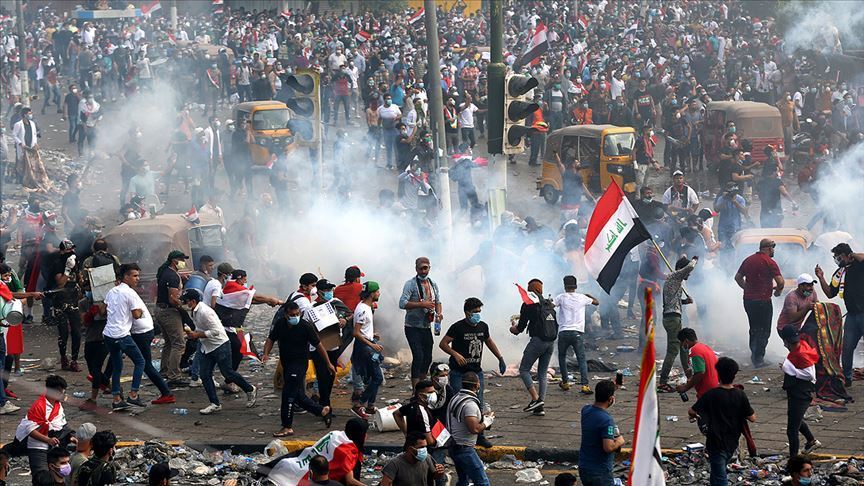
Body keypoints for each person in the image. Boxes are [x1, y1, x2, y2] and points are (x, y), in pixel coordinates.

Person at [439, 297, 505, 448]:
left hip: (476, 371)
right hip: (458, 372)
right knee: (458, 403)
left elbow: (489, 342)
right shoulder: (457, 327)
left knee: (478, 403)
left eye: (479, 311)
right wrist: (455, 354)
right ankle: (456, 435)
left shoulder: (483, 326)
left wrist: (500, 358)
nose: (478, 314)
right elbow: (443, 344)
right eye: (475, 311)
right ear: (467, 312)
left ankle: (480, 436)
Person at [180, 289, 257, 415]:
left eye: (186, 301)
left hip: (220, 345)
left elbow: (216, 331)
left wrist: (197, 335)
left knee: (228, 372)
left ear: (193, 301)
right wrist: (190, 334)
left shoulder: (205, 312)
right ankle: (215, 403)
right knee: (205, 375)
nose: (185, 304)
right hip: (207, 346)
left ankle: (250, 389)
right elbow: (200, 328)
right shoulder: (194, 311)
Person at [263, 299, 334, 436]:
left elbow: (319, 345)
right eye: (292, 315)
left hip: (299, 364)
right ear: (286, 315)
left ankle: (287, 426)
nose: (295, 317)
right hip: (286, 363)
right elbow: (271, 339)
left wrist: (328, 363)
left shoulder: (305, 326)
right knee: (297, 395)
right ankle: (321, 410)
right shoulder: (280, 324)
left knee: (288, 395)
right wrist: (266, 353)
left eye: (297, 314)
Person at [688, 357, 756, 486]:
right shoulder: (740, 395)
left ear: (718, 374)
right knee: (717, 472)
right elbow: (752, 418)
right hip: (732, 441)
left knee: (720, 477)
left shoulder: (711, 394)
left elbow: (692, 411)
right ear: (734, 375)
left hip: (715, 441)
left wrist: (698, 416)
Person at [815, 243, 864, 386]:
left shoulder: (859, 265)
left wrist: (852, 255)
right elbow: (830, 293)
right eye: (835, 257)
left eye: (839, 257)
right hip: (852, 316)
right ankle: (847, 378)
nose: (837, 260)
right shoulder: (839, 273)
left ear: (847, 255)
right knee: (847, 347)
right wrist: (821, 277)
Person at [103, 263, 148, 410]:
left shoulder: (112, 291)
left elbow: (104, 309)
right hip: (122, 335)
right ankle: (133, 395)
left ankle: (116, 399)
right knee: (140, 362)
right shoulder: (130, 293)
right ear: (125, 277)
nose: (137, 279)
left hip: (108, 334)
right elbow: (136, 315)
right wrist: (141, 310)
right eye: (134, 276)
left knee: (117, 366)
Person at [14, 375, 74, 481]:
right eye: (61, 393)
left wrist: (71, 437)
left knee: (58, 475)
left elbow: (62, 425)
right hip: (38, 446)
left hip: (53, 444)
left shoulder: (58, 405)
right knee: (41, 477)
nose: (63, 396)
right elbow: (30, 430)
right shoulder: (39, 406)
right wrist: (48, 440)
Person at [511, 279, 558, 415]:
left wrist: (513, 328)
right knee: (542, 373)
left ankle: (536, 399)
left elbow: (520, 328)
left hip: (538, 341)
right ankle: (539, 407)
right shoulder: (548, 303)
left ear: (530, 290)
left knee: (524, 369)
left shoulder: (528, 304)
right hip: (550, 342)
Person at [735, 239, 784, 368]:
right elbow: (780, 282)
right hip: (763, 301)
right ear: (769, 248)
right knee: (764, 330)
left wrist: (747, 288)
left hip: (749, 301)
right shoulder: (770, 262)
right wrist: (778, 292)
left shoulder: (748, 260)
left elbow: (737, 278)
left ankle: (755, 356)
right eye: (773, 248)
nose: (773, 251)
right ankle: (759, 359)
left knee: (754, 328)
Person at [399, 257, 442, 387]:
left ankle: (422, 383)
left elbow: (438, 302)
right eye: (420, 268)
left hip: (426, 326)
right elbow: (402, 303)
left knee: (428, 357)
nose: (423, 271)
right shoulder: (410, 284)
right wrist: (421, 304)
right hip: (412, 326)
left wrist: (439, 314)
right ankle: (415, 389)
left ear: (429, 268)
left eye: (425, 268)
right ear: (416, 269)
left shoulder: (433, 284)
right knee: (418, 356)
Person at [779, 326, 821, 457]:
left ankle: (794, 460)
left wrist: (789, 370)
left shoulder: (801, 354)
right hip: (797, 392)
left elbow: (809, 375)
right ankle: (811, 441)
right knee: (795, 418)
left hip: (801, 393)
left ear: (786, 341)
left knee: (792, 430)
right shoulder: (799, 347)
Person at [657, 257, 698, 391]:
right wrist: (694, 259)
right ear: (681, 269)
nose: (689, 275)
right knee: (673, 350)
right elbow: (690, 267)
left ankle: (689, 376)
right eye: (687, 273)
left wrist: (685, 301)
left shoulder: (675, 281)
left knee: (684, 347)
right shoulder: (674, 276)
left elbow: (674, 301)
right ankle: (663, 382)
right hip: (672, 319)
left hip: (673, 317)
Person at [446, 371, 493, 486]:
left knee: (463, 481)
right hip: (464, 449)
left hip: (454, 446)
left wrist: (482, 418)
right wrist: (487, 422)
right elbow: (474, 429)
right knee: (483, 482)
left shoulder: (456, 397)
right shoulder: (469, 404)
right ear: (477, 385)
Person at [553, 275, 598, 393]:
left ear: (564, 286)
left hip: (563, 332)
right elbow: (596, 302)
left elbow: (551, 305)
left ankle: (565, 382)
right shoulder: (582, 297)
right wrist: (588, 295)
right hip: (577, 333)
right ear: (576, 286)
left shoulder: (560, 297)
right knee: (581, 359)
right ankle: (585, 385)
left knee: (562, 357)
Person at [578, 380, 625, 486]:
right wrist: (619, 441)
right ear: (610, 399)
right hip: (600, 471)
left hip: (584, 466)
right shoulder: (607, 420)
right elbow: (608, 447)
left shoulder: (586, 410)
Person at [154, 251, 190, 387]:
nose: (183, 262)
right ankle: (174, 375)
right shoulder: (172, 276)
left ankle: (165, 370)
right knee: (179, 344)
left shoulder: (167, 272)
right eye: (182, 260)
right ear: (175, 261)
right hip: (169, 312)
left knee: (169, 342)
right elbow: (173, 299)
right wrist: (184, 306)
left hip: (160, 309)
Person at [47, 239, 82, 372]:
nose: (72, 251)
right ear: (62, 251)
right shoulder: (58, 264)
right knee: (63, 332)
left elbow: (79, 280)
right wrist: (67, 269)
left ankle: (74, 360)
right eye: (69, 249)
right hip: (60, 301)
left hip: (73, 301)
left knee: (77, 332)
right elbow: (60, 283)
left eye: (72, 249)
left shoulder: (75, 262)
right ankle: (63, 358)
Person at [350, 281, 384, 420]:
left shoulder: (366, 307)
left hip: (366, 344)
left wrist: (371, 334)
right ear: (371, 294)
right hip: (364, 348)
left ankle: (370, 406)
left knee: (372, 378)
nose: (379, 294)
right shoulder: (363, 310)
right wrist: (372, 345)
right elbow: (356, 332)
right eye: (377, 291)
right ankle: (359, 404)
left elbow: (363, 330)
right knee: (377, 378)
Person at [381, 432, 445, 486]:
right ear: (410, 449)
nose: (424, 450)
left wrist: (440, 472)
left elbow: (435, 476)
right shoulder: (395, 464)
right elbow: (385, 483)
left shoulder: (427, 458)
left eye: (425, 447)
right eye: (421, 447)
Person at [675, 328, 719, 399]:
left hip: (706, 391)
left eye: (681, 342)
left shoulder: (695, 351)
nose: (682, 345)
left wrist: (685, 387)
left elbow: (700, 372)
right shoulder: (705, 347)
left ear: (686, 341)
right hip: (714, 388)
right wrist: (692, 370)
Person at [393, 380, 437, 448]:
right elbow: (430, 441)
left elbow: (397, 413)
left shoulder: (413, 404)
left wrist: (406, 433)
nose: (433, 394)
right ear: (420, 395)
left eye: (434, 392)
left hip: (411, 445)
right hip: (420, 448)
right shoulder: (421, 413)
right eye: (430, 393)